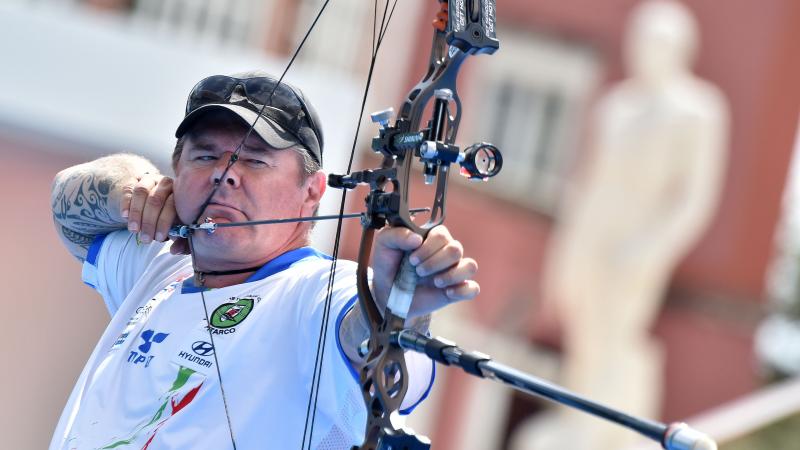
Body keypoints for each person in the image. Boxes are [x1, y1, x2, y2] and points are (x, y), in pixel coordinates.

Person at [49, 71, 479, 449]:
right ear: (175, 170)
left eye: (255, 160)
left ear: (312, 191)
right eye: (204, 156)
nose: (225, 172)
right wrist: (135, 191)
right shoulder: (161, 265)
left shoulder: (316, 292)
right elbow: (66, 203)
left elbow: (364, 338)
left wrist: (396, 299)